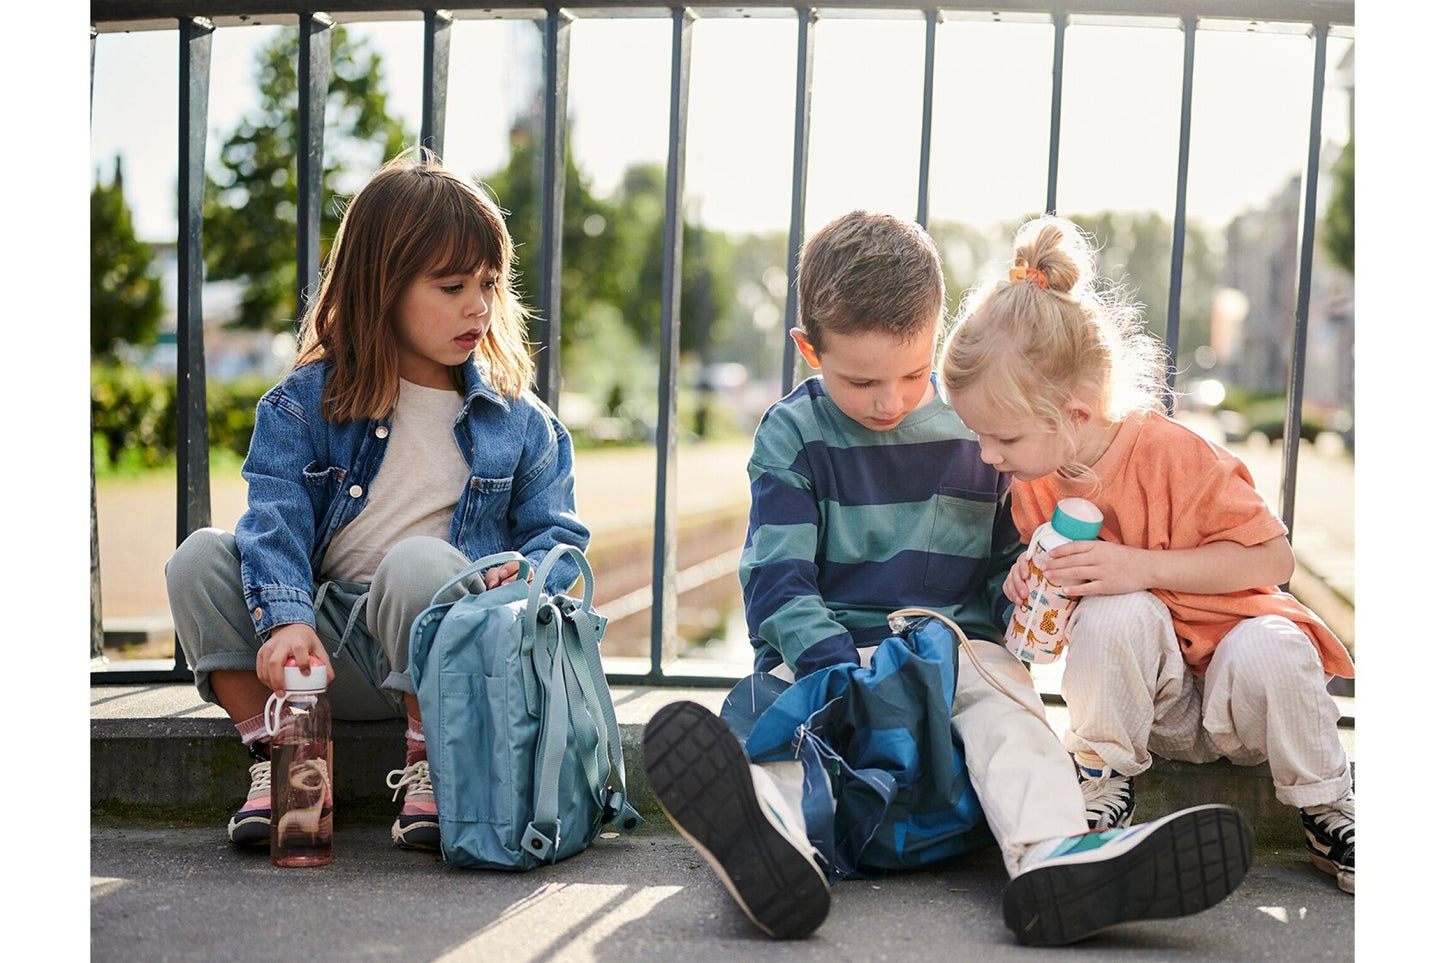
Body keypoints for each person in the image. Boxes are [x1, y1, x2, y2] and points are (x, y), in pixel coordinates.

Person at [643, 210, 1253, 946]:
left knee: (1009, 715)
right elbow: (776, 582)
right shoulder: (791, 433)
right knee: (775, 725)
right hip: (828, 651)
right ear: (810, 349)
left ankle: (1055, 855)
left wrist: (1019, 588)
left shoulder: (977, 428)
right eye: (860, 379)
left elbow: (1000, 562)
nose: (888, 400)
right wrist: (837, 665)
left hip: (951, 647)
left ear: (933, 336)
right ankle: (772, 843)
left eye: (911, 370)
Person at [165, 149, 588, 852]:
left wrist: (525, 575)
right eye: (451, 285)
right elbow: (274, 521)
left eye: (487, 283)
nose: (478, 306)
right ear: (380, 287)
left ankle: (433, 765)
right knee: (197, 560)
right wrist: (286, 621)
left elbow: (560, 541)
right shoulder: (306, 405)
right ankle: (287, 759)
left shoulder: (522, 422)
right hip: (328, 656)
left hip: (449, 655)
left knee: (419, 562)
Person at [939, 214, 1355, 894]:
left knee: (1272, 643)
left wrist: (1140, 565)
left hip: (1238, 692)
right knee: (1112, 612)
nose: (988, 455)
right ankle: (1102, 778)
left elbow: (1271, 560)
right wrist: (1032, 576)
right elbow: (1076, 603)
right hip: (1151, 705)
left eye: (1002, 438)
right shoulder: (1034, 484)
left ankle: (1324, 804)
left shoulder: (1173, 454)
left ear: (1073, 413)